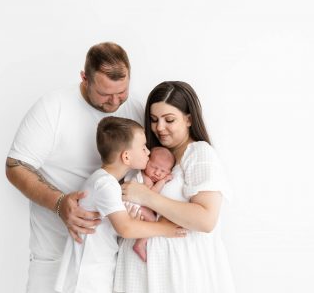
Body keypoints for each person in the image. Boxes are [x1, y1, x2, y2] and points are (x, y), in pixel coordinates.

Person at [5, 42, 144, 293]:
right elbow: (15, 165)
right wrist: (59, 203)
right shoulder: (53, 107)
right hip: (55, 256)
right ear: (84, 78)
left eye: (121, 91)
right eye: (105, 93)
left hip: (110, 262)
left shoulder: (135, 108)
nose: (115, 101)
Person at [114, 81, 235, 293]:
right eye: (153, 120)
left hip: (178, 273)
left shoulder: (199, 154)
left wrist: (146, 197)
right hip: (139, 273)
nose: (159, 127)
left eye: (169, 120)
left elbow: (205, 220)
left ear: (189, 119)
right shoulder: (150, 156)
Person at [54, 116, 186, 293]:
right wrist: (165, 228)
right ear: (126, 156)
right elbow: (126, 228)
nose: (148, 152)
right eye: (144, 148)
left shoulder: (105, 182)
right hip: (86, 277)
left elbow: (114, 226)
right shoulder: (105, 184)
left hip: (94, 272)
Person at [124, 146, 176, 262]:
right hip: (132, 205)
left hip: (134, 205)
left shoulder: (148, 177)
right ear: (147, 162)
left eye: (163, 171)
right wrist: (163, 180)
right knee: (152, 221)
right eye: (154, 167)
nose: (157, 173)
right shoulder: (145, 178)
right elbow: (151, 195)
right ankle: (139, 244)